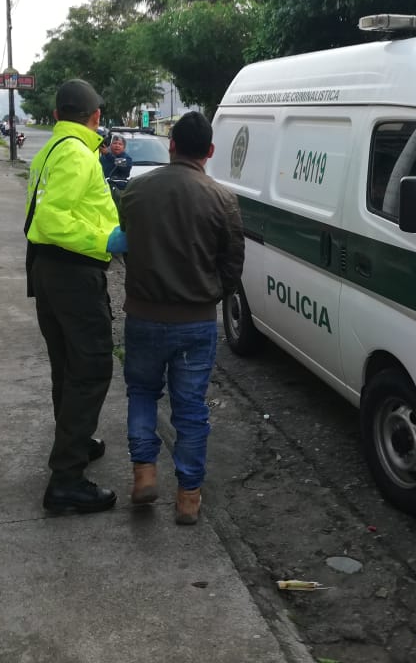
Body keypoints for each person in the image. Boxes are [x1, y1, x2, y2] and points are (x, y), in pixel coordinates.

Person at [117, 111, 245, 525]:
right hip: (195, 322)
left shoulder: (136, 190)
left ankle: (144, 474)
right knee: (190, 409)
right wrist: (209, 295)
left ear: (171, 145)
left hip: (143, 315)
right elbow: (232, 265)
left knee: (142, 393)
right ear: (210, 151)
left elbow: (126, 243)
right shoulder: (222, 199)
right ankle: (188, 497)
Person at [24, 79, 127, 515]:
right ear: (96, 116)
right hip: (72, 272)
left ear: (56, 114)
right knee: (91, 367)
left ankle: (76, 441)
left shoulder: (50, 150)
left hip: (49, 270)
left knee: (67, 365)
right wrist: (107, 239)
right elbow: (51, 220)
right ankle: (66, 479)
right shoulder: (77, 154)